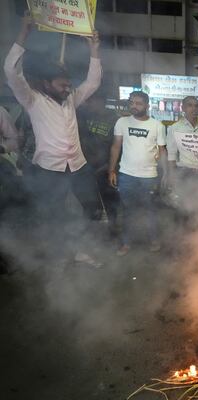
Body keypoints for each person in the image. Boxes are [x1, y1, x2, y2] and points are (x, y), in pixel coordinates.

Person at [4, 14, 103, 266]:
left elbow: (93, 82)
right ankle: (63, 253)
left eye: (69, 85)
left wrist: (94, 49)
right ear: (46, 84)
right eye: (62, 85)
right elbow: (11, 72)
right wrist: (23, 35)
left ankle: (83, 247)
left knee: (92, 209)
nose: (67, 89)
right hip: (49, 169)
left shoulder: (72, 99)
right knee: (55, 215)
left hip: (77, 166)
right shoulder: (32, 100)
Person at [108, 91, 167, 256]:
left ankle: (153, 239)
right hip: (126, 175)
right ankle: (126, 243)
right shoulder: (122, 122)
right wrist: (111, 170)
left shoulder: (157, 125)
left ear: (147, 106)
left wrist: (166, 174)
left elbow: (162, 151)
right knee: (127, 210)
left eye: (138, 103)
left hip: (149, 176)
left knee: (150, 210)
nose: (134, 106)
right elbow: (116, 146)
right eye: (132, 102)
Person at [165, 96, 198, 227]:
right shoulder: (175, 128)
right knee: (182, 208)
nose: (193, 108)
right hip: (184, 173)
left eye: (196, 105)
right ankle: (181, 241)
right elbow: (171, 155)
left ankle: (197, 241)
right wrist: (171, 176)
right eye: (190, 105)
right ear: (183, 108)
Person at [77, 90, 120, 236]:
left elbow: (118, 147)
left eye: (90, 100)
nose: (87, 103)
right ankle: (93, 235)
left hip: (105, 170)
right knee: (89, 203)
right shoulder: (83, 116)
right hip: (85, 169)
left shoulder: (115, 119)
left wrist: (109, 167)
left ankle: (112, 232)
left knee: (110, 203)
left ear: (101, 100)